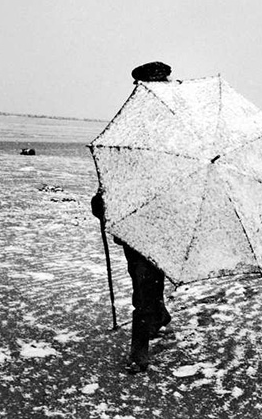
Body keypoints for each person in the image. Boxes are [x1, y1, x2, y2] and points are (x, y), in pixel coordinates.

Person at [91, 61, 173, 373]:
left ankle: (140, 349)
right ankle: (159, 314)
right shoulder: (129, 124)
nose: (145, 92)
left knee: (145, 279)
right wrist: (103, 198)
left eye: (153, 86)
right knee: (142, 275)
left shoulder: (176, 129)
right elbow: (116, 169)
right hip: (132, 217)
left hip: (164, 218)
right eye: (143, 87)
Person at [91, 191, 171, 373]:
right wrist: (101, 207)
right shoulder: (127, 180)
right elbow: (101, 205)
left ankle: (140, 353)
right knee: (144, 289)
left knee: (147, 291)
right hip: (134, 243)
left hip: (158, 243)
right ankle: (157, 320)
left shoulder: (167, 183)